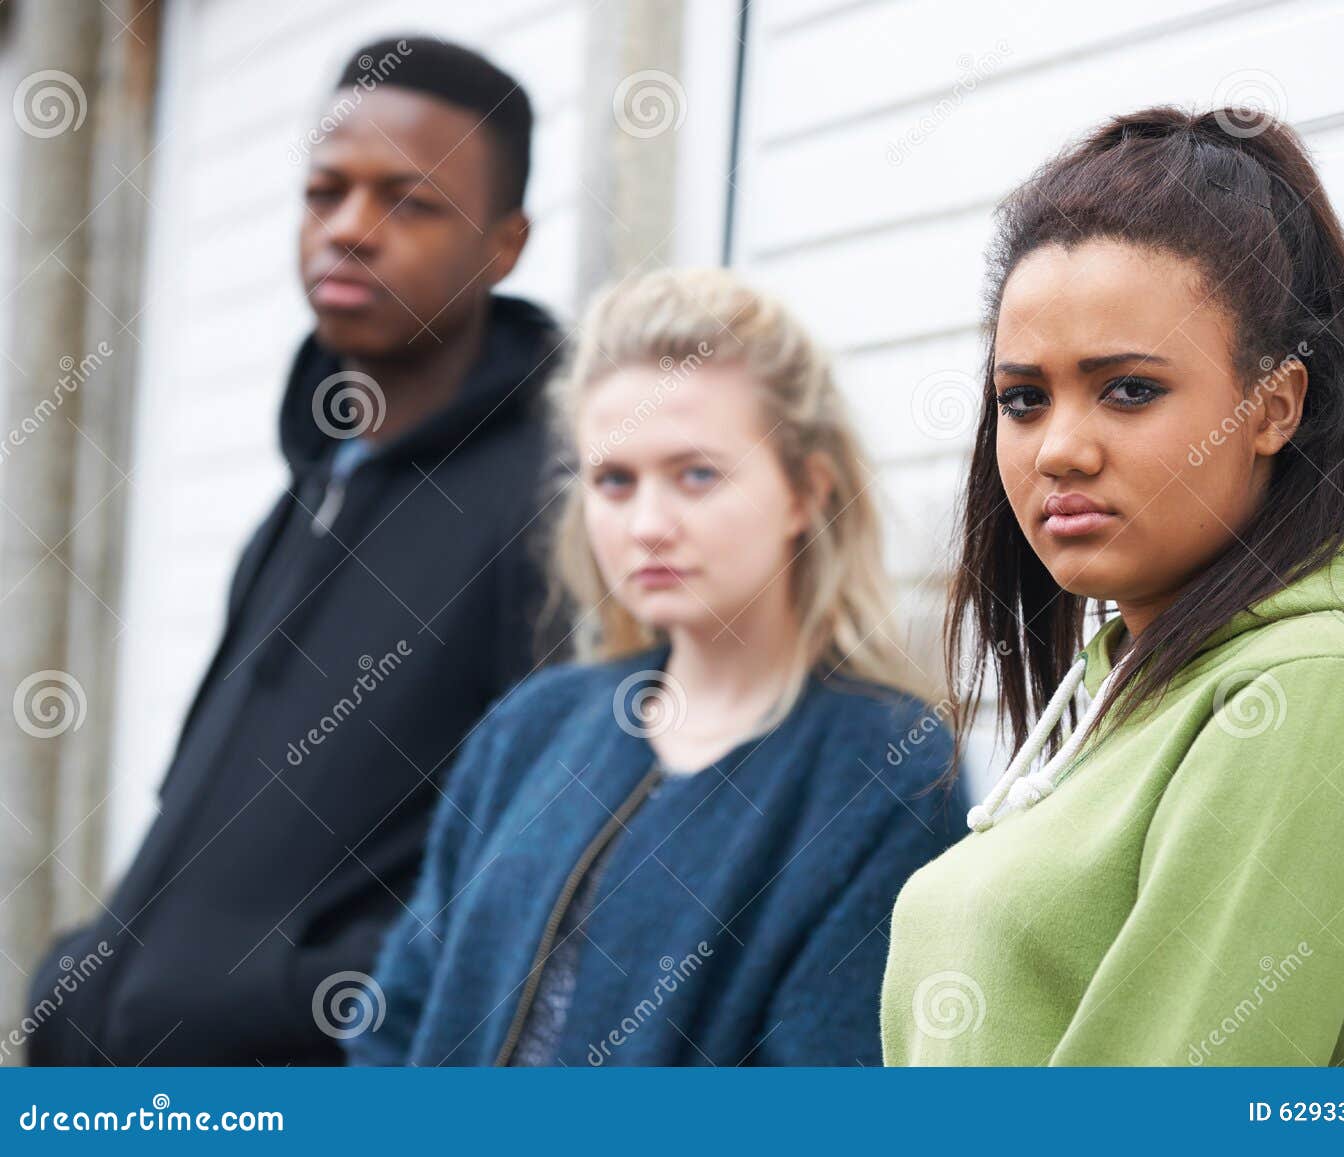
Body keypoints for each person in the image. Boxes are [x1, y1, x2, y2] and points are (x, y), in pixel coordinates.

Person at [881, 106, 1344, 1066]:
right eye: (1023, 398)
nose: (1060, 448)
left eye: (1129, 390)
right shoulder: (1138, 678)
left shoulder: (1310, 693)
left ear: (1272, 404)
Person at [26, 36, 572, 1065]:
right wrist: (83, 971)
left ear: (504, 244)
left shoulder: (552, 504)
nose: (350, 229)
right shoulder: (308, 490)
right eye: (326, 192)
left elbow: (539, 870)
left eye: (408, 202)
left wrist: (309, 997)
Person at [347, 268, 965, 1067]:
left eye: (696, 474)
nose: (647, 525)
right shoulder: (534, 727)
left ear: (806, 491)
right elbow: (397, 1019)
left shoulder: (890, 775)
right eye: (613, 480)